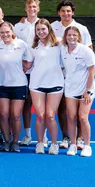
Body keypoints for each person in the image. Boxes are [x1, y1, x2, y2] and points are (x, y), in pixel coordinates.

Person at [51, 0, 93, 150]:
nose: (66, 13)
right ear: (58, 13)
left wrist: (88, 79)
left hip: (79, 79)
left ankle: (80, 139)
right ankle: (66, 137)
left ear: (73, 12)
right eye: (63, 11)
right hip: (59, 76)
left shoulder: (82, 28)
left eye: (68, 11)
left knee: (81, 113)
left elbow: (90, 53)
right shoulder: (52, 27)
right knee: (63, 108)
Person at [26, 19, 63, 154]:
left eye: (43, 29)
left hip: (56, 83)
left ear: (49, 29)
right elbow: (28, 64)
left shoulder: (59, 43)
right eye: (38, 30)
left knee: (51, 116)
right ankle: (40, 143)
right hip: (37, 84)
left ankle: (54, 144)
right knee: (40, 116)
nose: (41, 32)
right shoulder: (32, 46)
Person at [0, 22, 33, 153]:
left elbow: (29, 60)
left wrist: (24, 68)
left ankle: (15, 142)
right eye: (2, 32)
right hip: (2, 85)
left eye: (7, 32)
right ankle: (6, 140)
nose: (5, 34)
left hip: (19, 85)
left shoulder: (21, 44)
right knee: (4, 115)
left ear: (12, 31)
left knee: (15, 115)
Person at [61, 26, 95, 157]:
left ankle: (87, 145)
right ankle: (73, 144)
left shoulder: (86, 51)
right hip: (70, 89)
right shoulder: (63, 51)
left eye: (74, 35)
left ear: (78, 37)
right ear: (65, 37)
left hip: (86, 89)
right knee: (71, 117)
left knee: (82, 117)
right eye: (69, 35)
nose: (72, 37)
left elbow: (92, 72)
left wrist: (88, 91)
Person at [14, 0, 41, 147]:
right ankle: (28, 135)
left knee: (40, 105)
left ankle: (42, 137)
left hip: (39, 71)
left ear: (38, 9)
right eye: (29, 7)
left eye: (34, 7)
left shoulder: (44, 25)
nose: (32, 9)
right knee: (25, 103)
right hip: (23, 71)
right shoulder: (18, 26)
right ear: (25, 9)